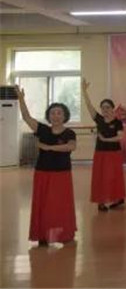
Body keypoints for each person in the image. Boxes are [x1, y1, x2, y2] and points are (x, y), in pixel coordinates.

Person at [16, 86, 77, 246]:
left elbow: (71, 146)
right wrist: (21, 99)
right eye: (52, 113)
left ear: (64, 116)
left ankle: (64, 234)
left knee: (60, 205)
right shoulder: (42, 130)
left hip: (62, 174)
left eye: (59, 113)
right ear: (48, 116)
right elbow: (26, 117)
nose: (55, 116)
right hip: (43, 172)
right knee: (43, 204)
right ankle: (42, 235)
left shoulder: (69, 133)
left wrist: (49, 147)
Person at [82, 79, 125, 212]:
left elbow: (120, 137)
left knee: (114, 176)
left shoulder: (118, 122)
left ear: (112, 109)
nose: (105, 109)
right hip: (100, 153)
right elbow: (89, 106)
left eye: (108, 107)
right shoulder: (99, 119)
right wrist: (84, 91)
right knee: (101, 177)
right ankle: (101, 201)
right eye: (103, 107)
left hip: (114, 153)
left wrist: (105, 139)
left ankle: (117, 198)